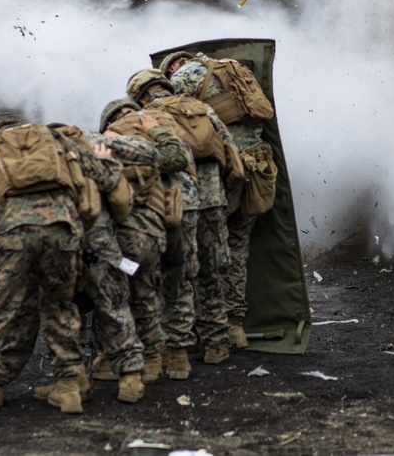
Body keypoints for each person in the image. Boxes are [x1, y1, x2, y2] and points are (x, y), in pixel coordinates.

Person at [0, 120, 125, 434]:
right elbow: (103, 177)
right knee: (59, 306)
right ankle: (69, 389)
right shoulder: (60, 143)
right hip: (62, 232)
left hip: (13, 236)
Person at [165, 52, 277, 350]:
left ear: (175, 66)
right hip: (257, 166)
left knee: (205, 250)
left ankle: (203, 332)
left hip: (224, 175)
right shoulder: (236, 69)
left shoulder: (183, 76)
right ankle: (235, 327)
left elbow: (166, 119)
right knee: (238, 248)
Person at [127, 68, 237, 365]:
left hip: (178, 203)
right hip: (212, 198)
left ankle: (180, 345)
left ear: (142, 96)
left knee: (179, 274)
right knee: (211, 270)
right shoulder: (201, 109)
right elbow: (228, 148)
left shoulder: (148, 117)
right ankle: (217, 344)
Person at [88, 99, 189, 384]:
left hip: (123, 243)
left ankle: (114, 360)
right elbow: (179, 157)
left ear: (108, 122)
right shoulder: (151, 141)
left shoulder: (105, 145)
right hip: (162, 229)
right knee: (156, 290)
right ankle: (159, 358)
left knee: (115, 296)